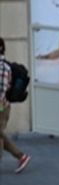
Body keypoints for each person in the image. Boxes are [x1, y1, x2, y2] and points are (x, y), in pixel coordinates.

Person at [0, 38, 30, 173]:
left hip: (1, 107)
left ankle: (21, 156)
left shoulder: (2, 67)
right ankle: (21, 156)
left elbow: (2, 90)